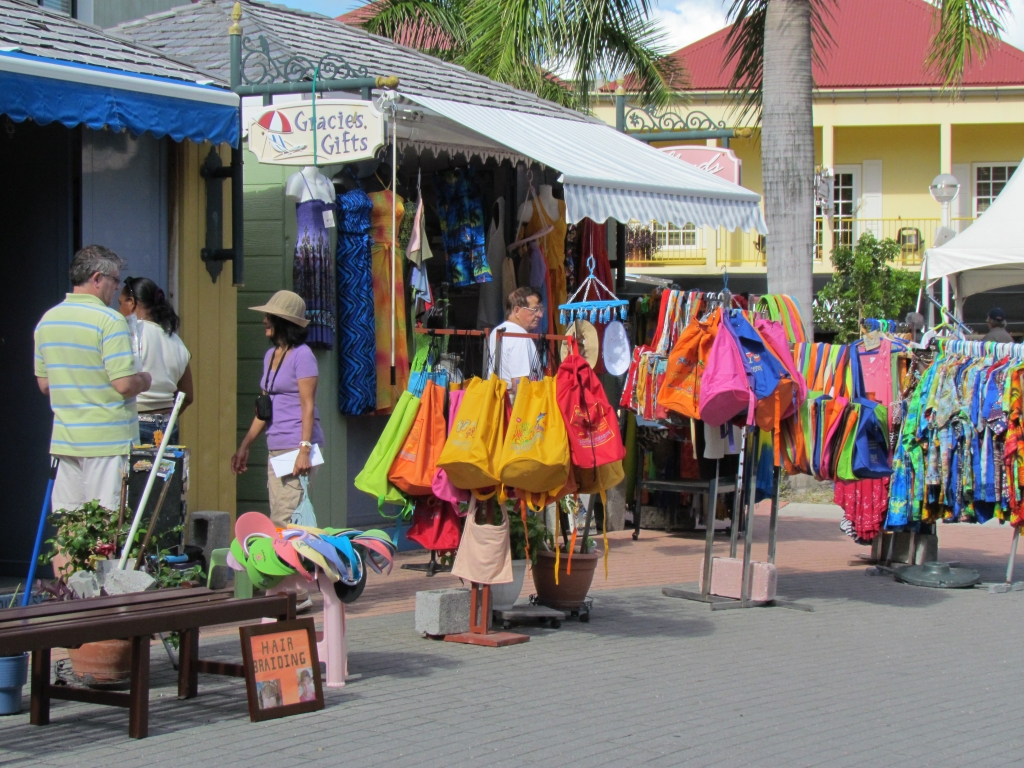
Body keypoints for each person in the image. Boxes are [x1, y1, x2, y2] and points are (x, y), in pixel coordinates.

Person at [34, 245, 152, 514]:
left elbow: (45, 384)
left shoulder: (47, 321)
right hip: (108, 441)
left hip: (66, 440)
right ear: (97, 279)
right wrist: (144, 379)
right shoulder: (109, 321)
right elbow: (123, 384)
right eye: (115, 280)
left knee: (69, 529)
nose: (116, 287)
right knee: (107, 527)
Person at [231, 290, 324, 529]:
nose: (264, 321)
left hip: (297, 448)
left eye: (270, 316)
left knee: (285, 520)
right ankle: (300, 564)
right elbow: (265, 410)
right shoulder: (270, 355)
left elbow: (308, 405)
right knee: (283, 519)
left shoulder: (303, 356)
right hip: (276, 448)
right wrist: (245, 446)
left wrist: (304, 449)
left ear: (285, 322)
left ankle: (289, 566)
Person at [118, 277, 193, 445]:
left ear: (131, 302)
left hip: (135, 421)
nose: (118, 310)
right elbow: (187, 395)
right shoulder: (176, 341)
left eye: (120, 303)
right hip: (167, 426)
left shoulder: (130, 335)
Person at [487, 287, 544, 394]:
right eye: (535, 310)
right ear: (517, 310)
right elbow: (520, 383)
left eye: (541, 309)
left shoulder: (497, 330)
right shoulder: (519, 336)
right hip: (515, 405)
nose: (540, 315)